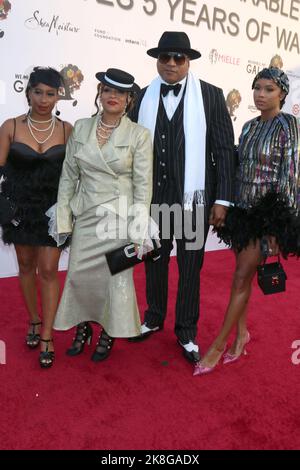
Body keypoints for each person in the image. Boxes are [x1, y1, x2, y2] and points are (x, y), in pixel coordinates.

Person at [129, 31, 236, 363]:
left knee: (191, 267)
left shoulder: (211, 96)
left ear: (188, 62)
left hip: (194, 200)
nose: (171, 63)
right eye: (165, 58)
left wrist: (223, 199)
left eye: (178, 58)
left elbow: (223, 151)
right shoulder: (143, 97)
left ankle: (187, 332)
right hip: (155, 198)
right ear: (157, 61)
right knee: (154, 262)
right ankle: (153, 317)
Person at [194, 66, 300, 376]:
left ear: (281, 93)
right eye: (257, 88)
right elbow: (239, 165)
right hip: (241, 210)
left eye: (268, 89)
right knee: (241, 275)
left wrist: (279, 225)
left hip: (266, 215)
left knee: (241, 277)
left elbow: (289, 174)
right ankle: (241, 335)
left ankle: (218, 344)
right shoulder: (250, 126)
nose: (260, 94)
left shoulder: (287, 124)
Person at [53, 68, 153, 362]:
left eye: (119, 93)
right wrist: (63, 218)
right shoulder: (81, 128)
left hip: (118, 221)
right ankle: (82, 326)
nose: (112, 97)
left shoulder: (139, 135)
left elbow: (143, 186)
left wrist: (138, 231)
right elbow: (69, 177)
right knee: (79, 277)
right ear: (99, 94)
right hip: (86, 216)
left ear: (128, 100)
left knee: (114, 280)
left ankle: (109, 331)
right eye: (107, 90)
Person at [0, 66, 73, 368]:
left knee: (48, 269)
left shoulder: (68, 129)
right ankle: (33, 318)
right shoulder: (11, 127)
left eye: (51, 93)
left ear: (59, 96)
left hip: (54, 210)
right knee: (27, 265)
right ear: (28, 92)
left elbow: (75, 173)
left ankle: (46, 333)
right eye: (38, 92)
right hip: (20, 210)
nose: (44, 99)